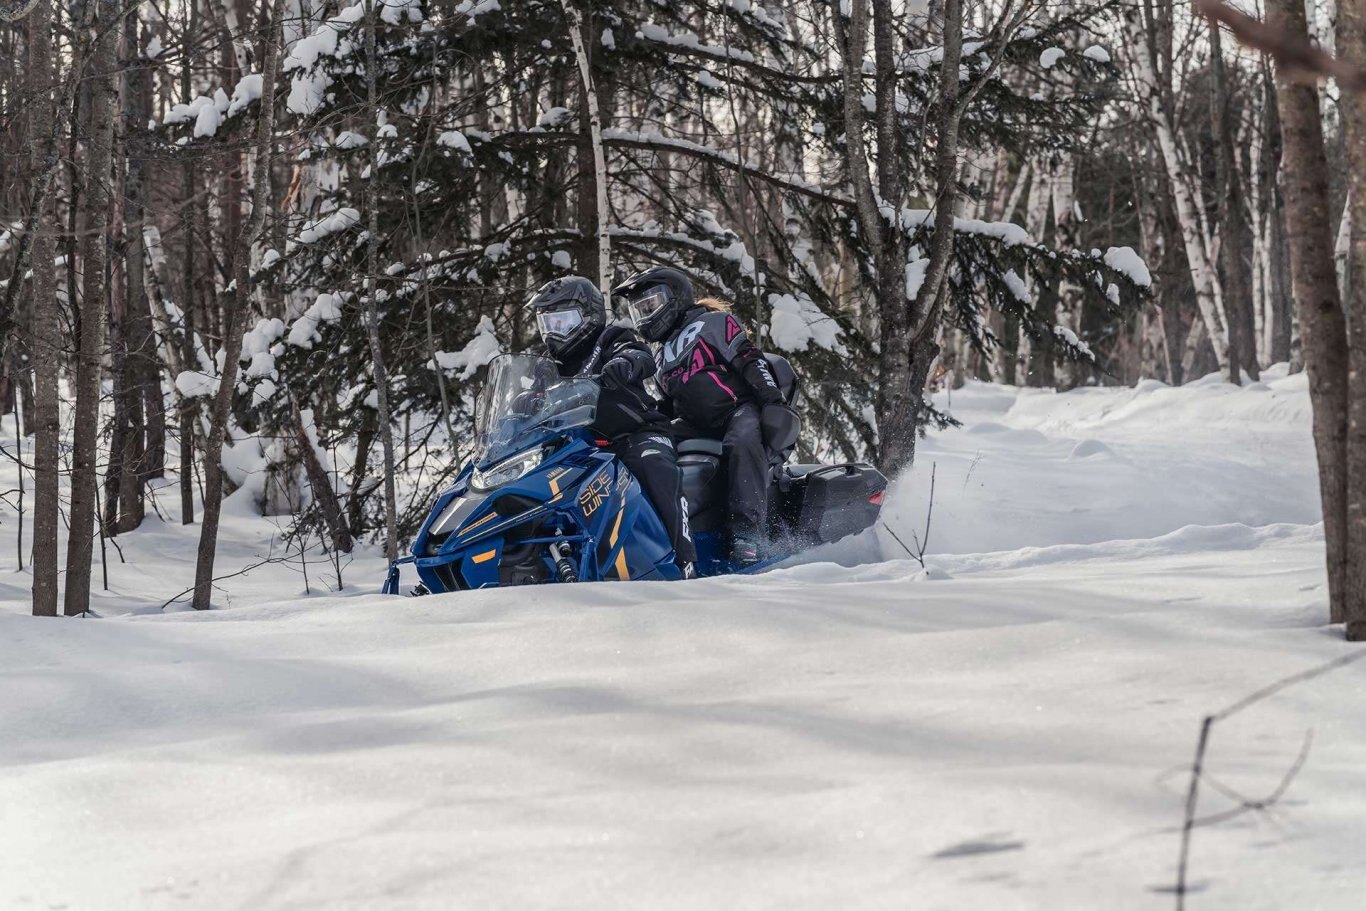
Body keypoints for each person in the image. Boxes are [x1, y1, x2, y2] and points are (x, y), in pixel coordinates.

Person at [613, 266, 795, 564]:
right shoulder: (660, 352)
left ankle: (748, 534)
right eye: (638, 310)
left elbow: (749, 358)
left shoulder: (714, 323)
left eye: (650, 305)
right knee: (646, 447)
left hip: (736, 409)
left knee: (742, 439)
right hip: (693, 423)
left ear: (675, 297)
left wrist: (773, 400)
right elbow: (669, 402)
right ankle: (647, 530)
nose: (644, 316)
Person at [527, 275, 697, 577]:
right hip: (579, 446)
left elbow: (639, 353)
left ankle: (684, 561)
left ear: (588, 315)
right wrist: (522, 403)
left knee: (653, 466)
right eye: (548, 324)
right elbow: (535, 396)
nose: (554, 332)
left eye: (563, 322)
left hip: (635, 434)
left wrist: (626, 363)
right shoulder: (547, 365)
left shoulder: (610, 338)